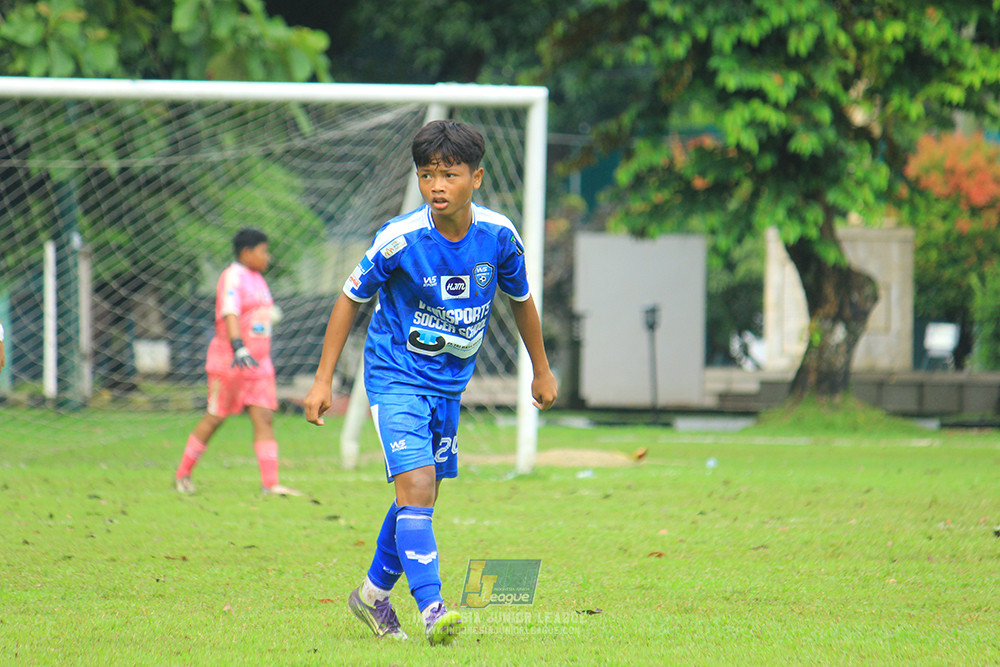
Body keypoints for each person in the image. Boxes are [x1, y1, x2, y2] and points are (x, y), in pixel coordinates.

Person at [303, 120, 558, 646]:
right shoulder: (399, 238)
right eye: (426, 175)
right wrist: (324, 379)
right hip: (394, 376)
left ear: (477, 178)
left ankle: (372, 596)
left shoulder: (499, 237)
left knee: (418, 497)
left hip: (448, 387)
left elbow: (521, 300)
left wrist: (542, 367)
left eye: (449, 174)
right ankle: (434, 609)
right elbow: (350, 299)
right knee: (417, 487)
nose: (436, 185)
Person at [174, 228, 301, 497]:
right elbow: (229, 313)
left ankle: (270, 484)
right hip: (232, 362)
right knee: (215, 417)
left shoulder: (258, 279)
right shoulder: (232, 276)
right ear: (247, 252)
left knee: (265, 418)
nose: (268, 257)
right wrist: (238, 346)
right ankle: (183, 473)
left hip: (260, 364)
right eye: (264, 251)